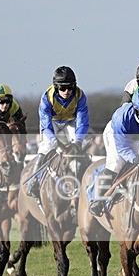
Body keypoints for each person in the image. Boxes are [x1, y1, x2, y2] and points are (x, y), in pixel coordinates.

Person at [89, 83, 139, 217]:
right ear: (135, 108)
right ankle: (98, 200)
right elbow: (123, 147)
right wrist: (135, 159)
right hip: (118, 135)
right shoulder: (122, 118)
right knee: (116, 164)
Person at [25, 66, 90, 199]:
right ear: (56, 87)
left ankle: (88, 180)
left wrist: (78, 141)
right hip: (52, 124)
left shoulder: (80, 96)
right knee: (46, 148)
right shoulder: (46, 98)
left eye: (70, 87)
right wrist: (55, 142)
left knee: (80, 148)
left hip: (70, 122)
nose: (67, 91)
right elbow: (46, 126)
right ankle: (35, 181)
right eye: (62, 88)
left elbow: (82, 122)